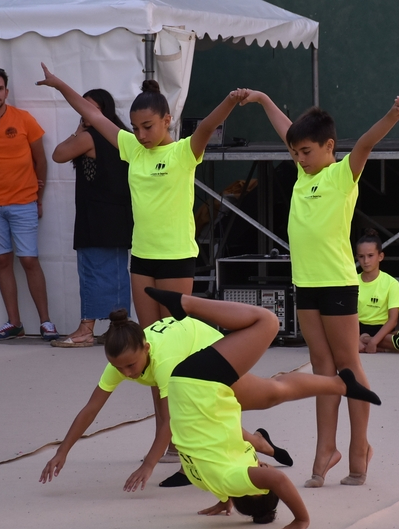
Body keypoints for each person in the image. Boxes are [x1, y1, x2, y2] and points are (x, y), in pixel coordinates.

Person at [240, 90, 399, 488]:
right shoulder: (303, 170)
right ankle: (326, 447)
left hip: (337, 285)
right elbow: (287, 130)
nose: (298, 159)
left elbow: (366, 142)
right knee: (321, 368)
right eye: (295, 153)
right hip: (306, 284)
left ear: (328, 146)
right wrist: (265, 99)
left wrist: (392, 114)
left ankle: (359, 446)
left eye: (306, 152)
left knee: (348, 364)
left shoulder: (341, 173)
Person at [143, 287, 381, 529]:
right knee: (274, 392)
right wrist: (223, 501)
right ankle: (340, 384)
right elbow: (218, 476)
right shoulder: (214, 479)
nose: (265, 467)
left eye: (261, 472)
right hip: (191, 386)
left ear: (255, 489)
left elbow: (277, 481)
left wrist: (301, 519)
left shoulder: (231, 477)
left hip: (201, 383)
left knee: (266, 322)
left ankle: (186, 304)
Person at [37, 63, 246, 330]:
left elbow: (206, 127)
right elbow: (93, 114)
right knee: (150, 338)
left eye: (147, 127)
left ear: (167, 120)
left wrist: (229, 100)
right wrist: (60, 85)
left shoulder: (183, 152)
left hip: (175, 256)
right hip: (142, 256)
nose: (141, 135)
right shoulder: (133, 148)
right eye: (135, 128)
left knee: (174, 335)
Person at [39, 308, 296, 493]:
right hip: (187, 358)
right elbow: (90, 409)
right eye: (120, 369)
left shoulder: (164, 364)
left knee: (269, 395)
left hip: (209, 350)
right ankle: (259, 444)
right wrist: (62, 451)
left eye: (131, 365)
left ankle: (332, 384)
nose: (127, 374)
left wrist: (148, 465)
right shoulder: (119, 365)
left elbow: (169, 422)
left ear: (147, 349)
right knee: (203, 414)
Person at [0, 67, 58, 341]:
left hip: (24, 203)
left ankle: (46, 322)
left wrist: (37, 199)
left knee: (29, 260)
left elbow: (41, 162)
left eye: (0, 88)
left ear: (7, 91)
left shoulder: (25, 120)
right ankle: (14, 323)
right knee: (3, 260)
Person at [50, 88, 134, 347]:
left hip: (95, 218)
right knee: (117, 273)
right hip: (120, 216)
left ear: (103, 111)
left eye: (90, 108)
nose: (84, 112)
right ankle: (119, 329)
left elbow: (58, 154)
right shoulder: (124, 137)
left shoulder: (89, 138)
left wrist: (78, 129)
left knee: (92, 271)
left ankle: (86, 329)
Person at [355, 229, 399, 353]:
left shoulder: (391, 283)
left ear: (380, 256)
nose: (366, 261)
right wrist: (355, 337)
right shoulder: (352, 282)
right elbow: (346, 316)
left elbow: (393, 320)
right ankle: (364, 342)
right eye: (361, 257)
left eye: (370, 256)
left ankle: (366, 340)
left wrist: (373, 341)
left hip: (382, 330)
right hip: (356, 328)